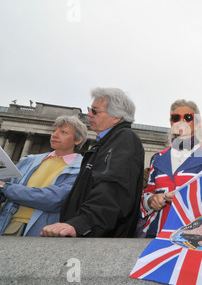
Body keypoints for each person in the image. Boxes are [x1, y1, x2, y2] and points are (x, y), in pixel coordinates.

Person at [41, 87, 145, 237]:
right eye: (90, 109)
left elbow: (113, 190)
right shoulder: (105, 143)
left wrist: (81, 224)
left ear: (116, 117)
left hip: (97, 237)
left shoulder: (124, 139)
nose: (88, 114)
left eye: (95, 111)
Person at [0, 115, 87, 236]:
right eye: (54, 131)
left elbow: (53, 199)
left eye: (63, 132)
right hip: (9, 224)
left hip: (44, 231)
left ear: (77, 140)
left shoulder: (81, 169)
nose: (55, 135)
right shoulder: (28, 160)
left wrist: (5, 188)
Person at [140, 99, 202, 238]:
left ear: (197, 123)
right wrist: (151, 201)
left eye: (188, 117)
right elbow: (147, 194)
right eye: (176, 118)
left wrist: (187, 198)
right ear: (171, 124)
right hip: (157, 234)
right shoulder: (158, 158)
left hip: (195, 237)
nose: (181, 122)